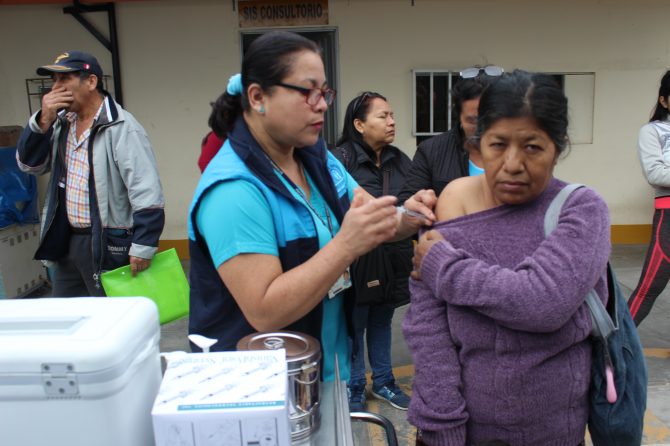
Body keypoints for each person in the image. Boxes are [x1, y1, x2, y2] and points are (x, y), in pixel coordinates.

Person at [187, 31, 435, 382]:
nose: (321, 104)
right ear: (258, 97)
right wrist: (346, 246)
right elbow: (265, 310)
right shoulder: (233, 190)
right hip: (261, 390)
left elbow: (368, 220)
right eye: (307, 92)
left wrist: (409, 215)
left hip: (324, 368)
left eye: (324, 92)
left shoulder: (313, 155)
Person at [403, 70, 611, 445]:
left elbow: (543, 302)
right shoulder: (454, 203)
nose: (513, 164)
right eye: (498, 145)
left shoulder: (581, 210)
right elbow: (428, 329)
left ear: (558, 147)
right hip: (465, 432)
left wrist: (443, 266)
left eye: (532, 147)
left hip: (553, 434)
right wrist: (441, 424)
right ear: (479, 145)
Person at [16, 51, 165, 297]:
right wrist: (43, 120)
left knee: (110, 320)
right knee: (68, 317)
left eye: (64, 80)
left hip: (108, 242)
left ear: (91, 82)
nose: (55, 88)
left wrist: (144, 244)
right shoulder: (61, 123)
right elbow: (28, 165)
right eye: (54, 81)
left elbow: (146, 189)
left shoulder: (122, 128)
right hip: (67, 240)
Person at [333, 92, 413, 411]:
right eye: (382, 116)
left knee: (382, 319)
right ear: (359, 124)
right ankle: (354, 387)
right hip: (358, 258)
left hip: (393, 256)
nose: (391, 121)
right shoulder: (341, 160)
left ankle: (383, 382)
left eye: (392, 115)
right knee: (355, 322)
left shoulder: (399, 159)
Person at [399, 67, 501, 202]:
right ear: (459, 116)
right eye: (473, 121)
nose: (483, 127)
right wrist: (414, 209)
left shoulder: (523, 151)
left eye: (491, 118)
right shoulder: (431, 151)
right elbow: (406, 202)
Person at [627, 69, 670, 326]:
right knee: (648, 290)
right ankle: (611, 348)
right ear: (664, 100)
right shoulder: (653, 131)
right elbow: (655, 174)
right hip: (669, 219)